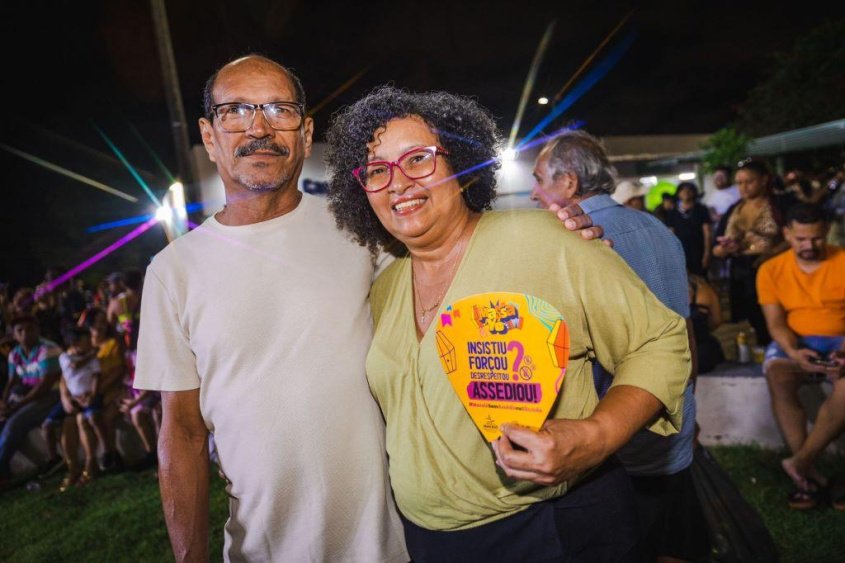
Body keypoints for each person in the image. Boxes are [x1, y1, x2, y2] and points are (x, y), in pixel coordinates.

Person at [325, 86, 691, 562]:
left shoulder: (544, 239)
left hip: (552, 529)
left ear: (459, 163)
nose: (398, 183)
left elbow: (658, 340)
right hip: (432, 540)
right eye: (377, 171)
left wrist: (594, 436)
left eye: (418, 159)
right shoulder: (385, 286)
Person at [133, 55, 408, 562]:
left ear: (305, 134)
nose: (259, 127)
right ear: (209, 135)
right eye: (235, 110)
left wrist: (568, 226)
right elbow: (184, 433)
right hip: (261, 548)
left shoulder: (365, 228)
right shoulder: (172, 273)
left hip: (394, 544)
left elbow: (455, 264)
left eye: (278, 109)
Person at [531, 130, 709, 562]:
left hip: (614, 441)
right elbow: (684, 331)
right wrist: (688, 404)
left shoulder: (574, 239)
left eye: (540, 179)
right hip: (669, 428)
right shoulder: (659, 229)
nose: (535, 194)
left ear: (569, 183)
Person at [757, 203, 845, 510]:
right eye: (801, 239)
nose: (809, 246)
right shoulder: (771, 269)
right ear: (787, 234)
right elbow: (775, 324)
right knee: (778, 376)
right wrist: (794, 351)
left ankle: (801, 464)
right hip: (794, 340)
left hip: (840, 339)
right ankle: (809, 477)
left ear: (826, 233)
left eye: (817, 238)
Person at [713, 157, 782, 345]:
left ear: (764, 180)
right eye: (739, 183)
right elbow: (716, 249)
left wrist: (771, 250)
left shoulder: (780, 205)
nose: (743, 187)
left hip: (774, 268)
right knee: (752, 317)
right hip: (741, 271)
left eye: (749, 181)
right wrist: (725, 248)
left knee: (777, 314)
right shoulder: (733, 210)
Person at [0, 315, 62, 488]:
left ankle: (2, 472)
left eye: (30, 329)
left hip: (52, 394)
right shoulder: (15, 353)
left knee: (14, 423)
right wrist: (4, 403)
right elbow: (13, 381)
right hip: (28, 395)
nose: (25, 334)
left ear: (38, 330)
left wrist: (15, 408)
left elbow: (44, 386)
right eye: (20, 330)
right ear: (14, 335)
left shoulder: (48, 349)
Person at [52, 326, 113, 490]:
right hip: (74, 399)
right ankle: (73, 468)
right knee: (62, 424)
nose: (91, 342)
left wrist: (91, 395)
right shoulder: (68, 357)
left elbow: (96, 377)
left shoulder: (96, 357)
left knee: (81, 420)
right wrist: (66, 397)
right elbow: (66, 376)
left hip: (89, 398)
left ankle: (90, 464)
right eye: (88, 340)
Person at [667, 181, 713, 276]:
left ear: (694, 192)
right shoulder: (673, 212)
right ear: (678, 193)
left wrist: (707, 254)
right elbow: (671, 235)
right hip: (681, 252)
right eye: (682, 190)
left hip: (699, 251)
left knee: (701, 281)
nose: (686, 192)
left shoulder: (701, 209)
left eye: (689, 190)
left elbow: (707, 232)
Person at [688, 274, 725, 374]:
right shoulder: (704, 289)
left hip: (675, 356)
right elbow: (717, 320)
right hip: (703, 354)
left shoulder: (658, 288)